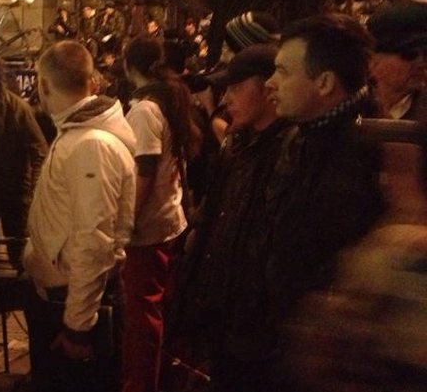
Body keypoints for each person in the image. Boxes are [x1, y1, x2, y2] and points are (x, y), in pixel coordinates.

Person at [209, 13, 383, 391]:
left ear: (324, 83)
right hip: (267, 347)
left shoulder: (369, 157)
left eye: (283, 72)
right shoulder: (299, 141)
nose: (271, 83)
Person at [163, 45, 290, 388]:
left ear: (269, 87)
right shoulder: (236, 145)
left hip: (254, 327)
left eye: (236, 87)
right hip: (221, 313)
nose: (226, 98)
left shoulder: (289, 152)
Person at [21, 41, 137, 392]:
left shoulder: (91, 144)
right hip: (65, 297)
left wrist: (77, 328)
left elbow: (93, 241)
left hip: (71, 303)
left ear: (43, 84)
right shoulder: (77, 133)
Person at [122, 36, 202, 392]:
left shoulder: (144, 110)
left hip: (148, 227)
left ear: (128, 66)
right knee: (159, 308)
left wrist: (126, 222)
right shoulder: (168, 100)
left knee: (142, 317)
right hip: (169, 218)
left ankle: (141, 384)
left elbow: (145, 170)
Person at [0, 55, 47, 265]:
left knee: (19, 246)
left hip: (14, 188)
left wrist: (34, 190)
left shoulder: (17, 108)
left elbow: (39, 150)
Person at [366, 0, 427, 121]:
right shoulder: (350, 106)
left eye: (426, 54)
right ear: (372, 60)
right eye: (409, 54)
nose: (422, 63)